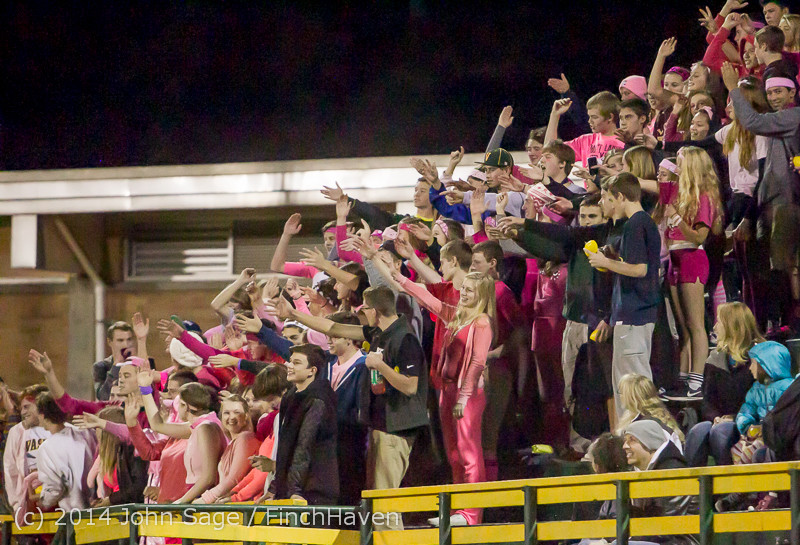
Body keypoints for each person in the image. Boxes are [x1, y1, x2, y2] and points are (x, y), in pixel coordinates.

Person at [269, 286, 428, 529]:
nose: (362, 312)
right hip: (380, 426)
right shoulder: (379, 333)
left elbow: (410, 387)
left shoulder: (404, 338)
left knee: (384, 505)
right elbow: (333, 328)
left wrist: (380, 366)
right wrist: (294, 313)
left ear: (374, 311)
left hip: (395, 430)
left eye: (365, 308)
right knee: (377, 503)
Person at [398, 271, 495, 527]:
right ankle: (457, 510)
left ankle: (472, 514)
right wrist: (393, 273)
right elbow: (426, 298)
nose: (464, 293)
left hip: (468, 394)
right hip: (448, 391)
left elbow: (476, 363)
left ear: (482, 296)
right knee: (453, 454)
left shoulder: (482, 322)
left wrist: (463, 398)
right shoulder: (456, 316)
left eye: (471, 291)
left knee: (469, 452)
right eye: (464, 289)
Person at [587, 174, 661, 418]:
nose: (606, 205)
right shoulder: (642, 223)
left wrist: (605, 262)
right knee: (628, 385)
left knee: (633, 386)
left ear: (620, 196)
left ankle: (642, 440)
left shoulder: (635, 224)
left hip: (634, 317)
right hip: (632, 316)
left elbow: (640, 269)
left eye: (608, 199)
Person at [661, 147, 724, 398]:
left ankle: (697, 381)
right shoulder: (679, 192)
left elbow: (700, 236)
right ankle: (684, 377)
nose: (677, 166)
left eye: (680, 162)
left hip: (692, 257)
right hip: (673, 259)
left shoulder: (704, 196)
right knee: (682, 326)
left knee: (697, 324)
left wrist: (676, 219)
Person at [684, 303, 761, 467]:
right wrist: (716, 418)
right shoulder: (715, 360)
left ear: (732, 326)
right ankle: (695, 488)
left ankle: (730, 487)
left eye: (719, 322)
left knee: (721, 432)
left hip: (749, 421)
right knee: (699, 431)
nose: (715, 327)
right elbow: (707, 401)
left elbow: (760, 401)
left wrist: (734, 417)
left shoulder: (759, 359)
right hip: (720, 420)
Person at [266, 344, 339, 505]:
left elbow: (304, 447)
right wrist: (275, 486)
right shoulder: (291, 396)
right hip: (292, 487)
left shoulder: (318, 400)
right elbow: (285, 447)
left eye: (297, 363)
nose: (289, 366)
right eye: (290, 361)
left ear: (312, 371)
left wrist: (294, 491)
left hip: (314, 489)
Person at [623, 420, 698, 545]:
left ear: (650, 442)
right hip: (655, 538)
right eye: (625, 441)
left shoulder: (673, 472)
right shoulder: (636, 473)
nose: (624, 446)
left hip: (679, 541)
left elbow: (667, 526)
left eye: (632, 440)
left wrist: (626, 540)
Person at [33, 393, 97, 512]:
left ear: (42, 415)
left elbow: (54, 489)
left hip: (75, 514)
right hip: (100, 506)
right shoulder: (86, 432)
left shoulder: (47, 448)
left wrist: (44, 501)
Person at [3, 385, 50, 517]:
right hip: (29, 503)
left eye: (27, 407)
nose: (23, 412)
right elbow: (10, 470)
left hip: (58, 500)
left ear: (41, 405)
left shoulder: (59, 429)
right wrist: (17, 504)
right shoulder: (16, 432)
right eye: (21, 408)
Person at [735, 341, 795, 442]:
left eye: (754, 363)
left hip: (778, 439)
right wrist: (747, 426)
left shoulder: (788, 388)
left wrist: (766, 430)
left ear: (768, 365)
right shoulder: (756, 390)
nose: (750, 368)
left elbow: (789, 419)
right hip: (758, 436)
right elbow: (746, 411)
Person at [546, 92, 625, 165]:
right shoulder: (585, 141)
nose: (589, 121)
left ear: (610, 117)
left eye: (594, 117)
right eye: (589, 116)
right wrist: (555, 115)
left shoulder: (625, 141)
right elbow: (550, 150)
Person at [616, 374, 684, 446]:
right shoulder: (631, 415)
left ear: (632, 397)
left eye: (621, 392)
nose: (620, 396)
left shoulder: (647, 424)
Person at [94, 321, 137, 401]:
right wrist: (116, 366)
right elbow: (103, 397)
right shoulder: (101, 367)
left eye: (129, 340)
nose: (126, 345)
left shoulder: (143, 363)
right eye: (120, 340)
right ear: (110, 342)